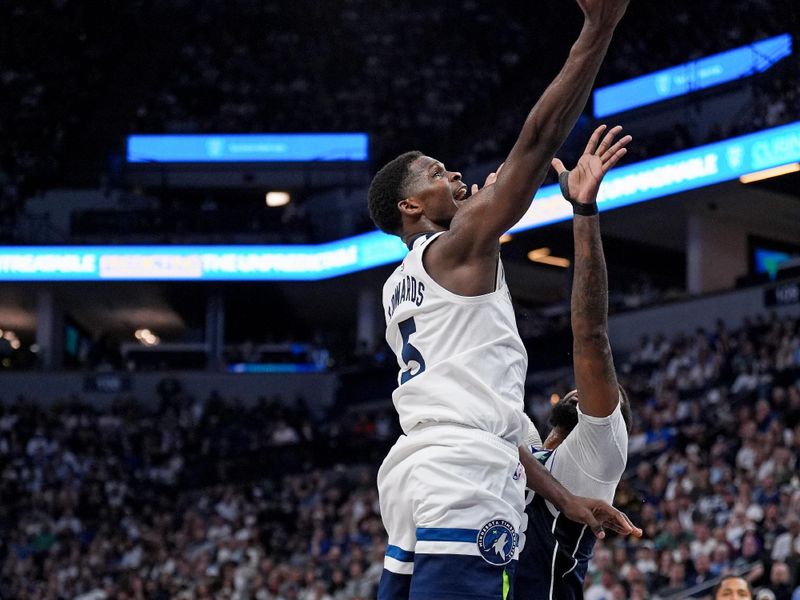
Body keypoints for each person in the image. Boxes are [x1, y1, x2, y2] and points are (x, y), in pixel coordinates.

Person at [367, 0, 635, 597]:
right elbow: (537, 140)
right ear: (410, 206)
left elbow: (506, 434)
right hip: (464, 477)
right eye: (438, 173)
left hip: (414, 477)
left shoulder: (396, 287)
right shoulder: (458, 247)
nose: (456, 176)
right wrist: (598, 29)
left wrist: (565, 497)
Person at [514, 124, 633, 600]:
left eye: (611, 400)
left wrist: (583, 210)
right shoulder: (530, 441)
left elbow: (590, 337)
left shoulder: (599, 447)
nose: (590, 392)